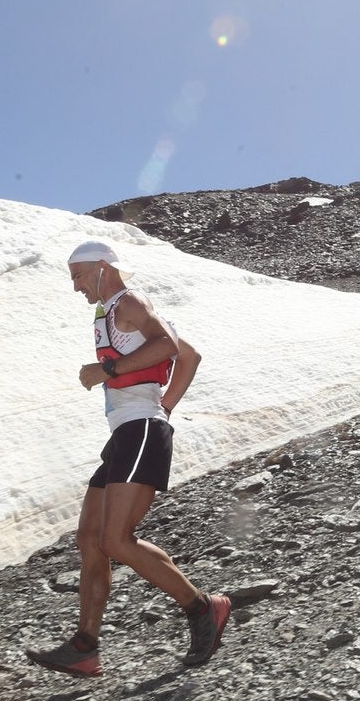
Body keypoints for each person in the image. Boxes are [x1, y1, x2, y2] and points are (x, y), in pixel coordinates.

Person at [26, 240, 230, 677]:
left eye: (79, 276)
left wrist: (109, 372)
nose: (76, 287)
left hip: (141, 432)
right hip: (127, 433)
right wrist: (167, 404)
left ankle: (202, 609)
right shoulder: (111, 312)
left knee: (116, 539)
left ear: (103, 267)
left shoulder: (129, 301)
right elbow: (188, 352)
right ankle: (85, 646)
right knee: (90, 538)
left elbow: (169, 348)